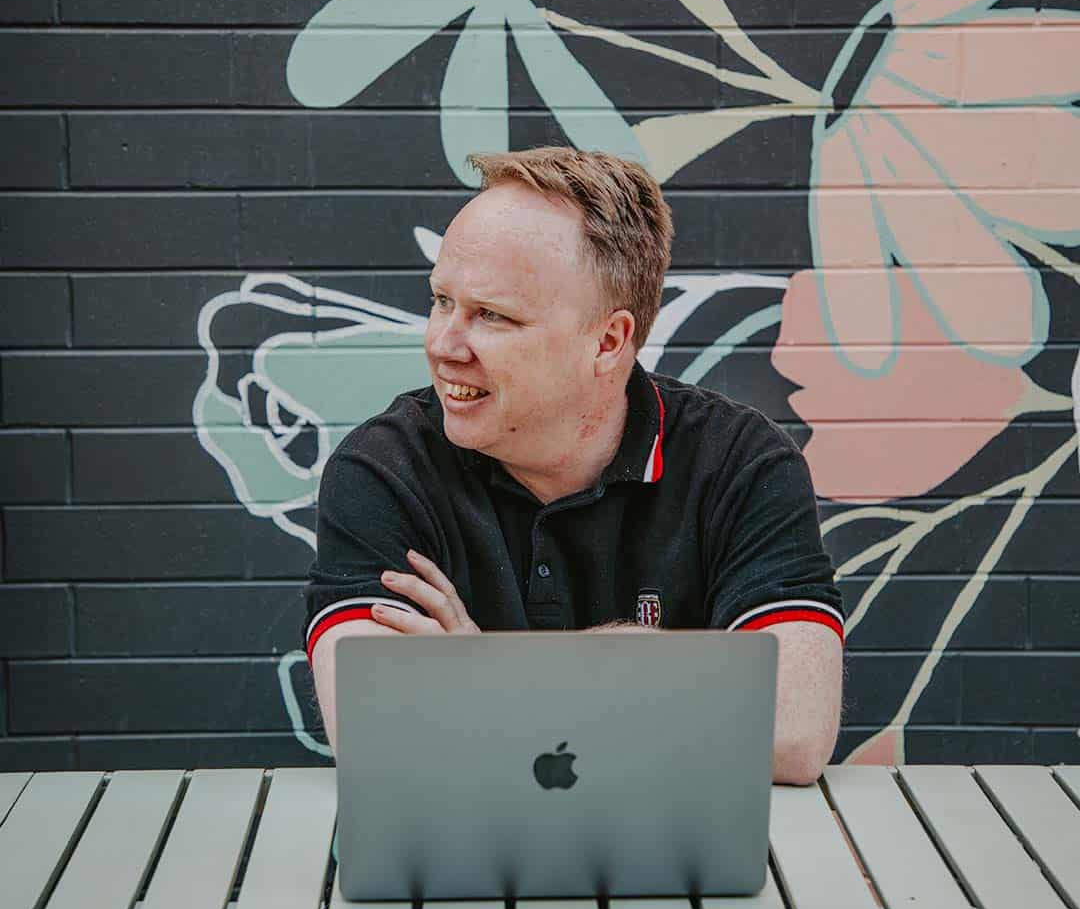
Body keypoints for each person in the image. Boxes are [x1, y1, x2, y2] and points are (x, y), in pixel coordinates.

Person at [305, 146, 844, 785]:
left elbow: (795, 731)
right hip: (462, 868)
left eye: (491, 316)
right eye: (441, 301)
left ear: (608, 341)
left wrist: (483, 675)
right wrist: (666, 678)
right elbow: (377, 731)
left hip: (681, 864)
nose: (443, 345)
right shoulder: (385, 470)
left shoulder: (741, 463)